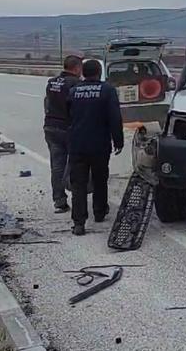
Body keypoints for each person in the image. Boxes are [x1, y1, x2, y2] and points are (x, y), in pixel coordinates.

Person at [67, 59, 124, 236]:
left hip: (77, 144)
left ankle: (78, 222)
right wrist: (118, 141)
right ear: (99, 72)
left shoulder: (73, 91)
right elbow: (115, 118)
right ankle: (99, 212)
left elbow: (69, 117)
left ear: (83, 73)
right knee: (100, 178)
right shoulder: (107, 90)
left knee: (79, 184)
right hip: (99, 144)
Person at [42, 55, 82, 213]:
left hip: (51, 127)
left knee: (57, 166)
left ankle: (59, 201)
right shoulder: (75, 84)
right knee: (75, 164)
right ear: (77, 68)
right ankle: (78, 198)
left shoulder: (51, 82)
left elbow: (47, 103)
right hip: (68, 128)